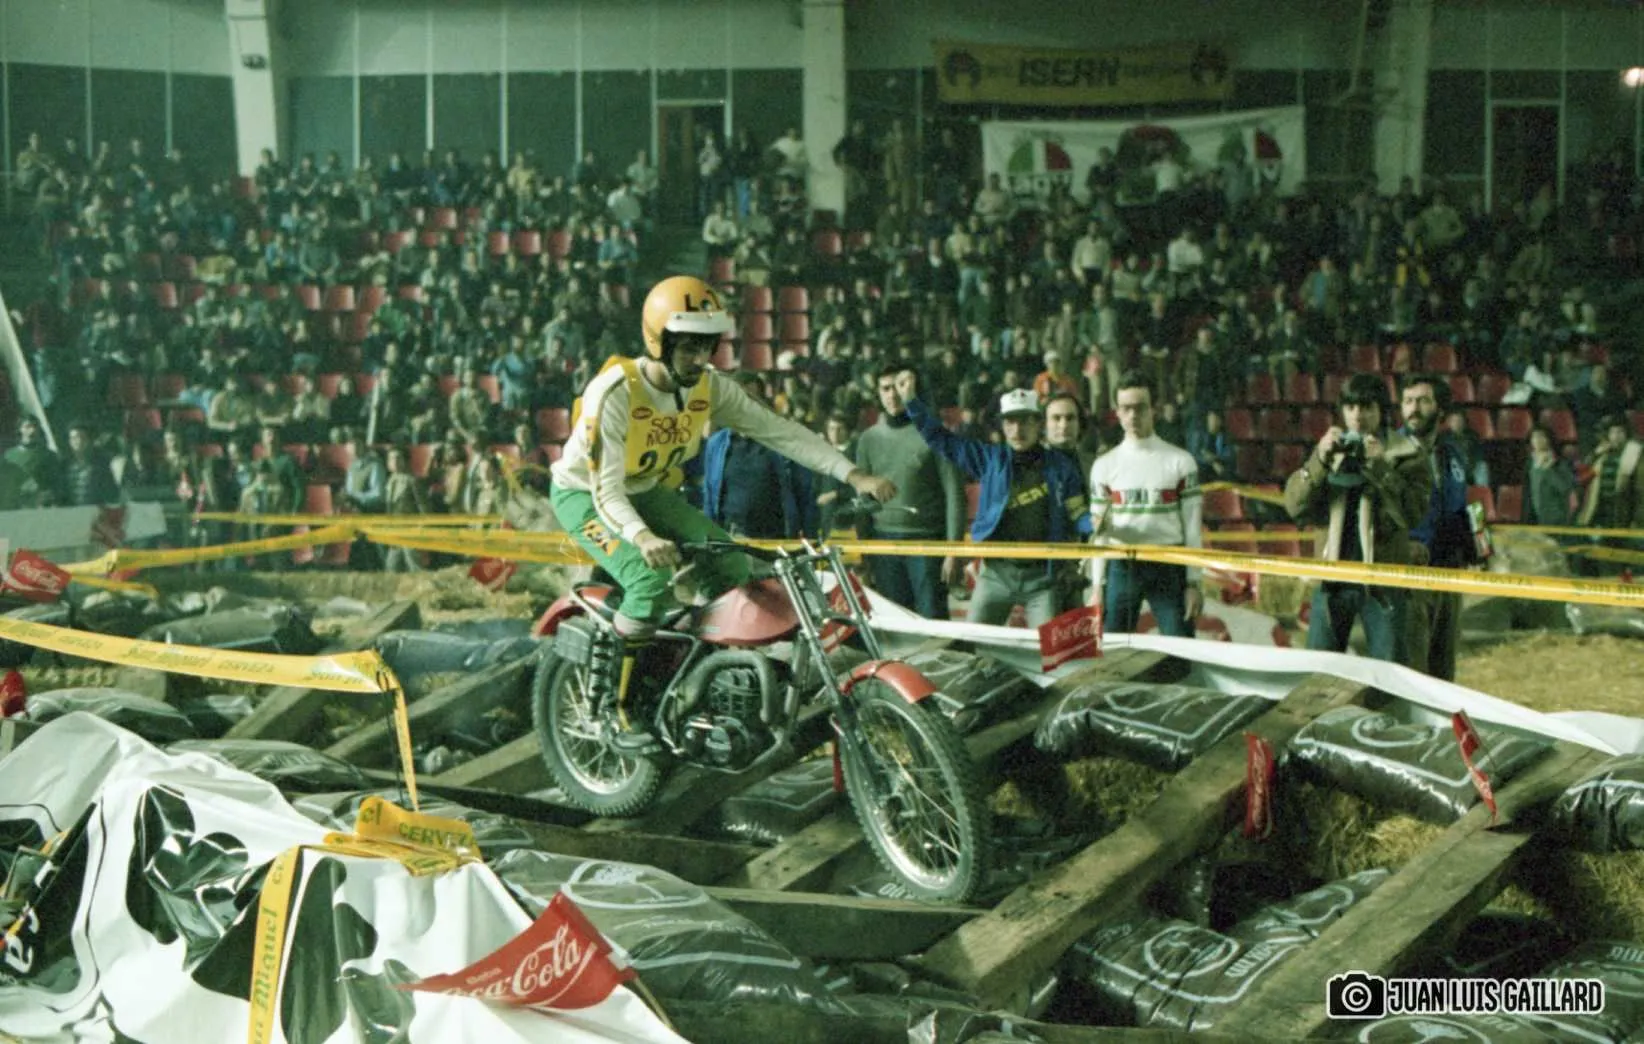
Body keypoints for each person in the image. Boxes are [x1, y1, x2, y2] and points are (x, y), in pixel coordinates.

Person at [548, 275, 895, 746]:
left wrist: (853, 474)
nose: (700, 358)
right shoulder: (615, 392)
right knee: (649, 581)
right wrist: (642, 537)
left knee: (732, 566)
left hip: (645, 487)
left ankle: (701, 683)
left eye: (708, 346)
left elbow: (781, 432)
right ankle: (616, 706)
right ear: (659, 341)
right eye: (688, 347)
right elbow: (606, 490)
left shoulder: (709, 388)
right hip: (585, 494)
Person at [903, 384, 1091, 628]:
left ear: (1038, 424)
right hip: (995, 575)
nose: (1017, 430)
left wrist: (1094, 523)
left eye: (1025, 421)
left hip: (1043, 579)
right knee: (974, 641)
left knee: (1048, 649)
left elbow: (1077, 512)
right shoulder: (990, 459)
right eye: (1010, 422)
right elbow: (942, 440)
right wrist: (911, 402)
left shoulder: (1061, 466)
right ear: (1002, 426)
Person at [1283, 373, 1430, 661]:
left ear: (1381, 410)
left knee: (1388, 671)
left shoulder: (1407, 454)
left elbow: (1413, 513)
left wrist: (1381, 467)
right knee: (1319, 668)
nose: (1357, 416)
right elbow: (1294, 506)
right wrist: (1319, 460)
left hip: (1383, 580)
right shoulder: (1330, 450)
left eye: (1366, 407)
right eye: (1350, 407)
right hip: (1333, 577)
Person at [1088, 373, 1204, 637]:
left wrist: (1194, 582)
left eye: (1140, 407)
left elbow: (1193, 527)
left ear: (1154, 409)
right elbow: (1099, 534)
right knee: (1115, 648)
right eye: (1126, 408)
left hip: (1169, 562)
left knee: (1181, 648)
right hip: (1123, 563)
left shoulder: (1181, 461)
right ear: (1117, 412)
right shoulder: (1103, 466)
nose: (1132, 415)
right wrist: (1097, 586)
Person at [850, 363, 966, 620]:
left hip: (927, 544)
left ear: (912, 390)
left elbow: (955, 496)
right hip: (883, 544)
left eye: (899, 387)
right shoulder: (868, 439)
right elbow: (862, 500)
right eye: (885, 388)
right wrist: (864, 551)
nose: (892, 395)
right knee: (895, 621)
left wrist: (953, 550)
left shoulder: (935, 435)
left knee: (932, 621)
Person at [1400, 373, 1481, 680]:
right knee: (1413, 668)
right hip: (1410, 573)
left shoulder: (1453, 451)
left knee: (1444, 666)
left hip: (1448, 570)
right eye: (1408, 401)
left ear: (1440, 409)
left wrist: (1476, 542)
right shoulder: (1389, 453)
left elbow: (1461, 504)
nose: (1413, 409)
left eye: (1423, 401)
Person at [699, 373, 805, 540]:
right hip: (730, 535)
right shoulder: (716, 444)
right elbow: (709, 494)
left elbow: (803, 492)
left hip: (773, 538)